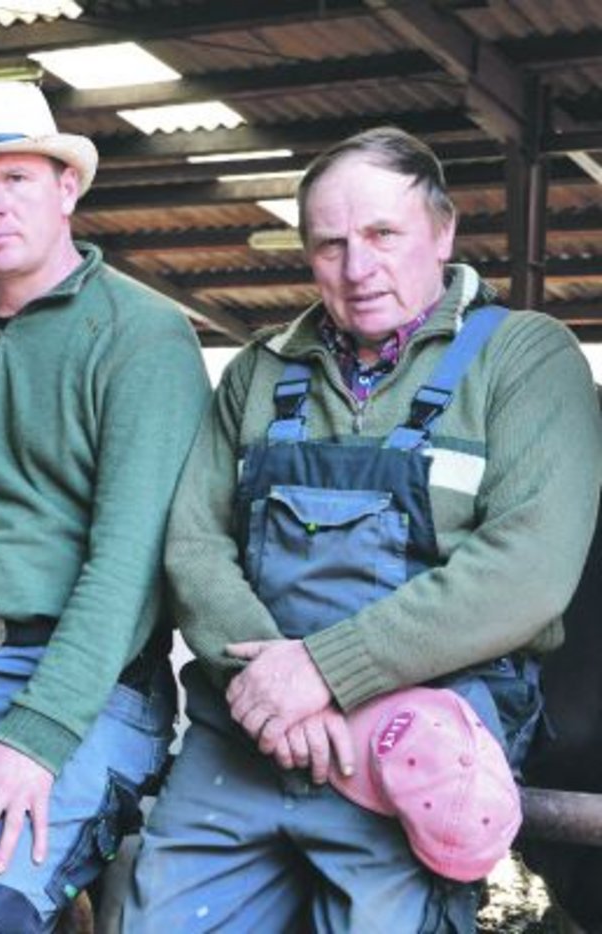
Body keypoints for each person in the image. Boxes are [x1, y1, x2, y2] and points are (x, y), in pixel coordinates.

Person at [126, 127, 602, 932]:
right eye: (330, 245)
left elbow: (526, 570)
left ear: (443, 230)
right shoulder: (259, 371)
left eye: (384, 234)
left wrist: (324, 672)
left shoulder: (525, 361)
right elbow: (194, 546)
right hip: (242, 735)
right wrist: (274, 697)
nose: (358, 267)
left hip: (419, 744)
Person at [0, 81, 211, 932]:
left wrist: (38, 734)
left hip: (71, 680)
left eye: (15, 179)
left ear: (67, 188)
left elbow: (128, 566)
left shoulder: (144, 336)